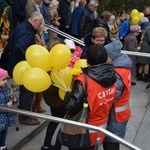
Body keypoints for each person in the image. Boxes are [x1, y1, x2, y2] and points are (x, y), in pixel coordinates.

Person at [64, 44, 117, 150]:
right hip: (102, 128)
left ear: (87, 61)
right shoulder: (112, 75)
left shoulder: (83, 79)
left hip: (85, 130)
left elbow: (71, 106)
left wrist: (68, 94)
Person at [8, 11, 44, 125]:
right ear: (34, 20)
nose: (40, 25)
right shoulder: (28, 32)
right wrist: (25, 61)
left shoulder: (22, 26)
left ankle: (25, 113)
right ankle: (25, 117)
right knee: (28, 91)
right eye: (40, 23)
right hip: (22, 66)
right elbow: (19, 48)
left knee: (25, 91)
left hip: (17, 64)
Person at [103, 40, 132, 150]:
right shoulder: (123, 68)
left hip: (115, 115)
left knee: (111, 142)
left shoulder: (117, 73)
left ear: (111, 57)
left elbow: (112, 96)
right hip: (120, 114)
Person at [41, 37, 66, 150]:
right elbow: (49, 86)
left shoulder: (50, 63)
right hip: (57, 101)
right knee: (63, 123)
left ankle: (47, 145)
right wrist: (63, 87)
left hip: (54, 100)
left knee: (55, 121)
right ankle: (56, 146)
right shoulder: (49, 66)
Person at [32, 22, 46, 113]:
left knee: (40, 87)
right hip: (36, 63)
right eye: (42, 25)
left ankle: (37, 104)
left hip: (42, 62)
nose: (43, 27)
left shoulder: (40, 35)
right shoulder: (34, 36)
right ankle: (36, 105)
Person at [0, 68, 15, 150]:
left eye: (6, 79)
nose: (6, 81)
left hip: (4, 119)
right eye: (3, 79)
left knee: (4, 133)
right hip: (1, 117)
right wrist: (6, 105)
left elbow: (9, 96)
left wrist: (14, 99)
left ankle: (2, 147)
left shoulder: (4, 88)